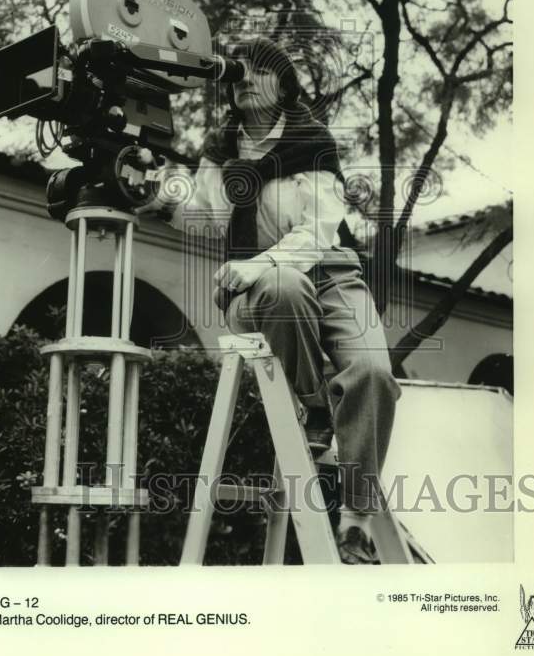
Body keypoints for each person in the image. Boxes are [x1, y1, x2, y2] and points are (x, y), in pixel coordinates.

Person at [167, 38, 401, 564]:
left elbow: (319, 232)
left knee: (373, 374)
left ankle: (356, 521)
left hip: (334, 276)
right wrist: (159, 193)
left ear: (286, 82)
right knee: (282, 286)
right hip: (258, 295)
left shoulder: (310, 142)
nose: (244, 79)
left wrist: (257, 261)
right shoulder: (219, 151)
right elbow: (202, 219)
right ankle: (318, 408)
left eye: (260, 71)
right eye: (236, 73)